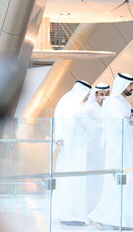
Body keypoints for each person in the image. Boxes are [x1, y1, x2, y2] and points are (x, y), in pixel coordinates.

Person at [89, 73, 133, 230]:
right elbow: (121, 124)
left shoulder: (124, 103)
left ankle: (122, 220)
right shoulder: (112, 103)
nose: (132, 88)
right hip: (117, 152)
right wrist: (130, 118)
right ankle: (98, 216)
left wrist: (130, 117)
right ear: (123, 85)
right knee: (114, 186)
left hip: (127, 151)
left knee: (126, 186)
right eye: (130, 85)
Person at [52, 80, 91, 226]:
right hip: (75, 151)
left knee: (68, 181)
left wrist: (59, 138)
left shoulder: (65, 101)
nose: (87, 97)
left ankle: (68, 213)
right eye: (86, 94)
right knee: (74, 182)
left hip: (69, 150)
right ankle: (72, 214)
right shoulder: (75, 106)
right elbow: (89, 125)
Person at [82, 83, 109, 215]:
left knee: (102, 180)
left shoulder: (107, 108)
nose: (103, 97)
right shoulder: (89, 109)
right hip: (92, 150)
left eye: (106, 95)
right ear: (96, 95)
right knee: (91, 179)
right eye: (101, 95)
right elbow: (86, 128)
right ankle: (88, 209)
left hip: (104, 150)